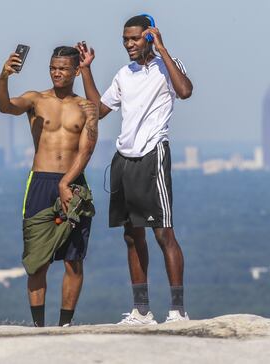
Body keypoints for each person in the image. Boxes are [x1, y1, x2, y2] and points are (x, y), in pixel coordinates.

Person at [77, 14, 193, 324]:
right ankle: (141, 310)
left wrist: (163, 49)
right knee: (131, 235)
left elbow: (184, 91)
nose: (129, 44)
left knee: (163, 234)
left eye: (135, 38)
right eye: (125, 39)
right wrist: (86, 71)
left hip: (151, 155)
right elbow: (99, 110)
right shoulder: (124, 74)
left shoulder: (167, 68)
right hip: (123, 160)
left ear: (150, 37)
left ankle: (177, 310)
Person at [0, 46, 99, 327]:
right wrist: (4, 77)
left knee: (73, 261)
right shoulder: (35, 99)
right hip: (41, 181)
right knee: (37, 261)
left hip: (74, 180)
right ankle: (39, 328)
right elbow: (5, 107)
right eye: (53, 67)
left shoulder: (86, 106)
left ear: (76, 71)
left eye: (63, 68)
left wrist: (67, 182)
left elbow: (87, 150)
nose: (57, 73)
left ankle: (64, 324)